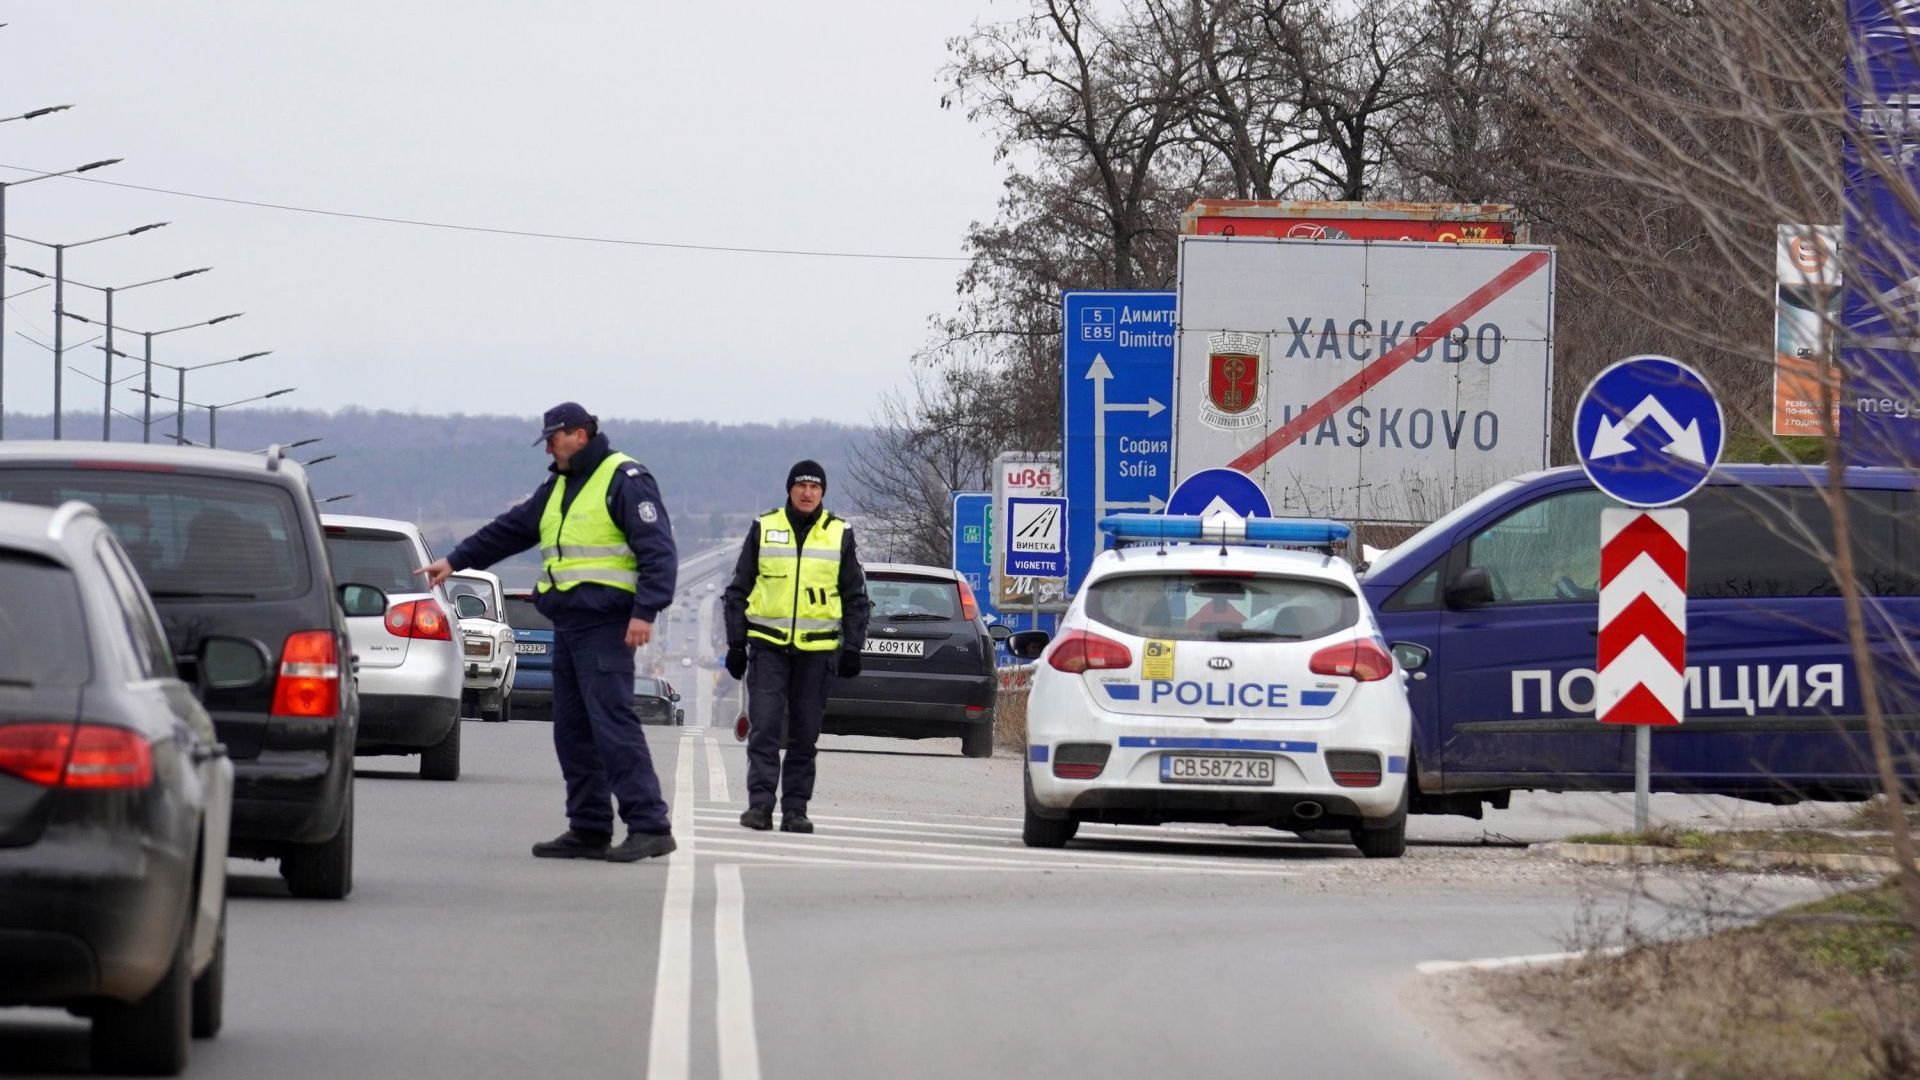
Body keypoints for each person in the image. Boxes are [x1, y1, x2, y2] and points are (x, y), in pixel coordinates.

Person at [418, 402, 678, 863]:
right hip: (571, 622)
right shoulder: (558, 486)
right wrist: (456, 560)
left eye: (555, 437)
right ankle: (590, 827)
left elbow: (658, 551)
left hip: (606, 624)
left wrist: (646, 611)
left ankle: (649, 824)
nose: (551, 447)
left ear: (580, 434)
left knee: (612, 725)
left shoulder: (625, 478)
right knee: (573, 731)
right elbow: (512, 530)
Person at [722, 459, 870, 834]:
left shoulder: (839, 533)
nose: (807, 493)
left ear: (822, 492)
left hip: (817, 653)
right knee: (766, 727)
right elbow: (738, 591)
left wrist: (853, 647)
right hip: (768, 649)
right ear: (790, 489)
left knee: (804, 734)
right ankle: (759, 805)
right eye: (801, 486)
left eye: (815, 487)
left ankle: (795, 810)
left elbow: (856, 597)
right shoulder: (765, 527)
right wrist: (736, 644)